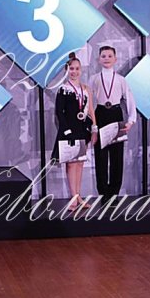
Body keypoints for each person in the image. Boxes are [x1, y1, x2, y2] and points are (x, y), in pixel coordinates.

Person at [89, 46, 135, 198]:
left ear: (115, 59)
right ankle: (103, 192)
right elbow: (89, 102)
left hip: (116, 114)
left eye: (110, 56)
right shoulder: (94, 79)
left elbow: (129, 98)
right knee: (100, 156)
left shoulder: (121, 79)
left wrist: (131, 120)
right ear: (99, 59)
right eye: (103, 56)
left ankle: (114, 192)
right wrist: (92, 124)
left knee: (117, 156)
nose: (106, 59)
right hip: (100, 114)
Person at [52, 53, 95, 212]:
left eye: (77, 69)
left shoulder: (85, 89)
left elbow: (90, 110)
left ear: (81, 70)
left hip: (83, 130)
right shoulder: (63, 89)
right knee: (71, 164)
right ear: (67, 70)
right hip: (68, 131)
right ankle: (73, 198)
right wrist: (66, 130)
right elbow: (59, 112)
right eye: (71, 69)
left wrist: (93, 128)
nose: (74, 72)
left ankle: (78, 197)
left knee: (80, 163)